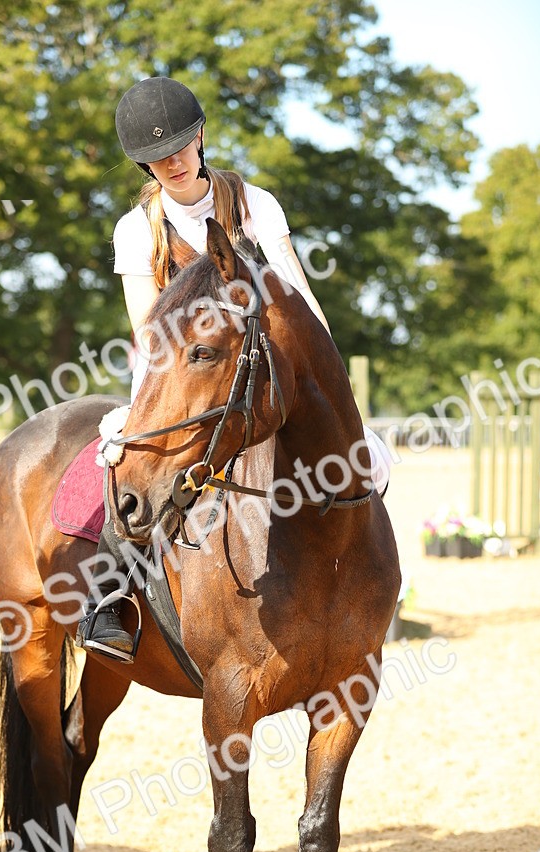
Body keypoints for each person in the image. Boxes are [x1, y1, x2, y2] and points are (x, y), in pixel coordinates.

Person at [78, 76, 389, 660]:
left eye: (178, 147)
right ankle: (111, 599)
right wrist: (161, 394)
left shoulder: (253, 203)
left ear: (200, 137)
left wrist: (331, 379)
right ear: (142, 165)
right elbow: (147, 330)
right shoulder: (134, 229)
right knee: (122, 460)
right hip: (174, 370)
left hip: (257, 362)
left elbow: (297, 295)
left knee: (364, 458)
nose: (171, 162)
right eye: (155, 157)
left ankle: (367, 584)